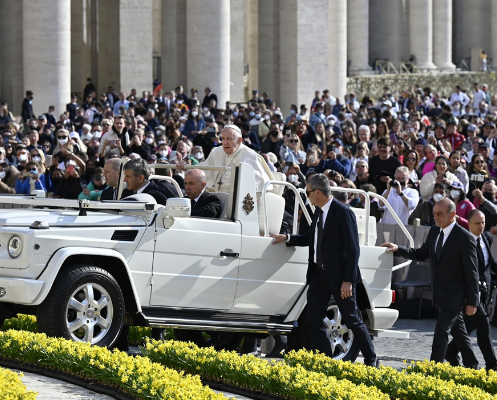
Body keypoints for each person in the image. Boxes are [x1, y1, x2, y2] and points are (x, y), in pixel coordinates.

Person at [270, 174, 378, 367]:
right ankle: (327, 360)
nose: (307, 196)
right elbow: (310, 238)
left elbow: (354, 249)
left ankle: (372, 360)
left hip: (339, 277)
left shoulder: (343, 213)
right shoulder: (319, 212)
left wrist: (348, 281)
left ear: (317, 192)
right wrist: (287, 237)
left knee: (353, 320)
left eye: (308, 192)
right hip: (319, 275)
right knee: (314, 319)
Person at [382, 199, 480, 368]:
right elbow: (421, 254)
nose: (435, 217)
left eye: (439, 214)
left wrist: (472, 301)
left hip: (456, 296)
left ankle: (433, 369)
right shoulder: (435, 231)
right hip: (440, 293)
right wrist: (399, 248)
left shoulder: (465, 238)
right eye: (434, 213)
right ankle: (472, 364)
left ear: (452, 215)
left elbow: (472, 273)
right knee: (459, 333)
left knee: (441, 329)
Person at [444, 209, 497, 371]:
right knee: (483, 325)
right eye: (477, 223)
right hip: (469, 294)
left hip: (484, 292)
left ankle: (450, 352)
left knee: (469, 327)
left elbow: (489, 264)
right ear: (469, 224)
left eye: (483, 223)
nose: (481, 226)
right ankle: (492, 366)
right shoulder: (462, 242)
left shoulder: (487, 238)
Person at [185, 124, 270, 193]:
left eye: (229, 139)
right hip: (218, 194)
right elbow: (204, 167)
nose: (225, 143)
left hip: (238, 199)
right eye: (223, 139)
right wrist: (186, 167)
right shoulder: (217, 151)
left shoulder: (251, 156)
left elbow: (257, 183)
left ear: (239, 140)